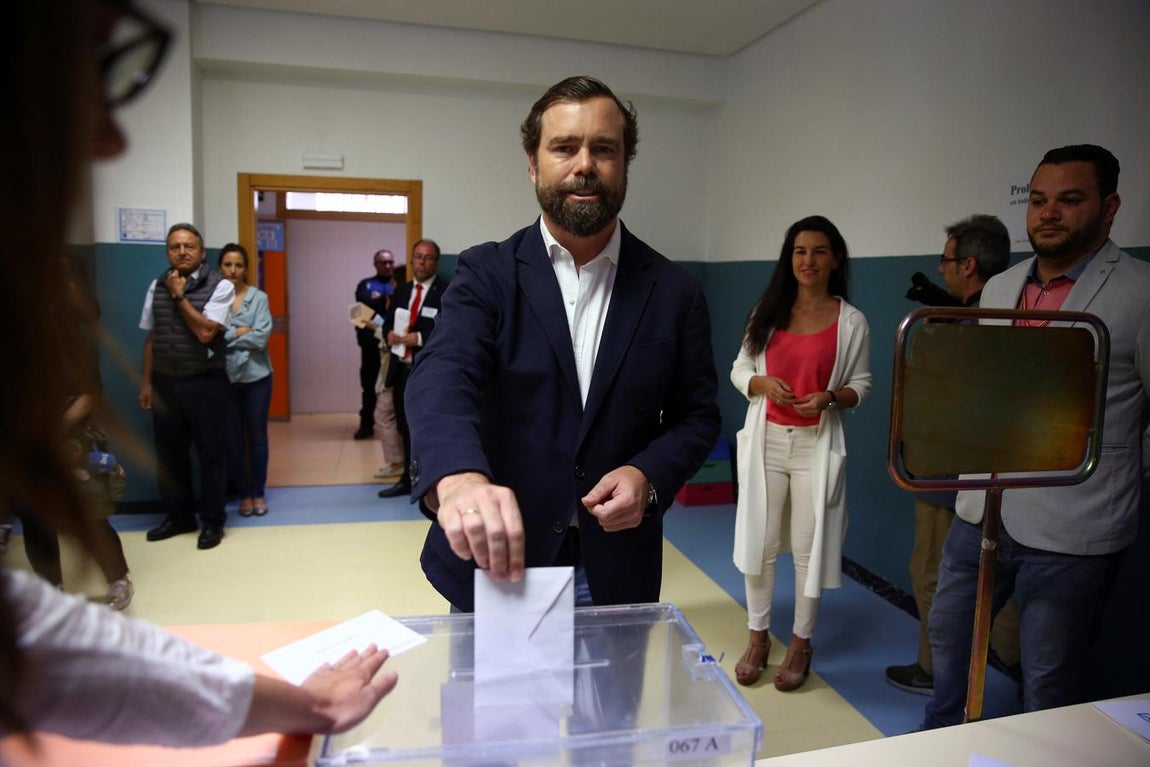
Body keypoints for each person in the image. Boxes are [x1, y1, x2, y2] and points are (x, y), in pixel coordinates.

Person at [1, 0, 396, 746]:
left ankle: (212, 515)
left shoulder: (213, 288)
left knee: (223, 454)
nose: (110, 137)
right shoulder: (158, 288)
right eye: (72, 81)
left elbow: (43, 648)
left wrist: (296, 705)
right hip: (181, 382)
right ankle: (185, 513)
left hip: (223, 383)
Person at [406, 75, 721, 612]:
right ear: (533, 164)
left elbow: (698, 418)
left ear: (624, 165)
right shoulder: (487, 273)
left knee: (614, 701)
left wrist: (648, 477)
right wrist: (457, 479)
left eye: (603, 149)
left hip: (619, 571)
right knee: (500, 701)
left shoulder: (675, 291)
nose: (584, 164)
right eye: (564, 147)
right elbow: (443, 373)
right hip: (501, 563)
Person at [923, 144, 1150, 728]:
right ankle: (937, 741)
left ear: (1110, 206)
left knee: (1047, 677)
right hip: (983, 510)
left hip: (1075, 524)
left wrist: (1119, 471)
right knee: (949, 642)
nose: (1049, 213)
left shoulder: (1140, 292)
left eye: (1070, 200)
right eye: (1040, 200)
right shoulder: (1000, 288)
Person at [730, 215, 872, 690]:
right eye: (799, 251)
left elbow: (862, 384)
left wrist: (831, 398)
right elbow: (740, 368)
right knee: (762, 544)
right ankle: (758, 637)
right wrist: (761, 382)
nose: (808, 261)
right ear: (789, 259)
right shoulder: (767, 312)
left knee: (809, 549)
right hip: (768, 438)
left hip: (816, 443)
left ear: (835, 259)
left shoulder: (851, 321)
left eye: (818, 251)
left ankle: (801, 642)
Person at [885, 214, 1020, 695]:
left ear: (967, 263)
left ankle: (945, 674)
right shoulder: (1003, 313)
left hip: (950, 477)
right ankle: (940, 668)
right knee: (984, 585)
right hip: (982, 475)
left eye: (945, 261)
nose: (940, 270)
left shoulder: (970, 323)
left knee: (934, 577)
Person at [138, 221, 233, 550]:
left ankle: (212, 522)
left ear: (202, 252)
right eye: (174, 247)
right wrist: (147, 383)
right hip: (166, 382)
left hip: (205, 382)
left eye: (188, 246)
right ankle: (179, 517)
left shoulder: (220, 286)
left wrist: (179, 295)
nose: (181, 252)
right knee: (169, 456)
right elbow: (152, 338)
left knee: (212, 456)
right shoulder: (155, 285)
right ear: (167, 252)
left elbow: (206, 332)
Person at [377, 240, 445, 499]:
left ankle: (430, 483)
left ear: (436, 263)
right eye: (418, 257)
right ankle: (407, 480)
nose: (422, 262)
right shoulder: (402, 290)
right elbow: (387, 322)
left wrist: (418, 339)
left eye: (428, 258)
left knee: (426, 429)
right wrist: (390, 334)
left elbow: (446, 328)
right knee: (403, 428)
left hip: (428, 372)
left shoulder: (446, 291)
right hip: (401, 369)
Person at [219, 243, 274, 517]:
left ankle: (258, 493)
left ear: (245, 269)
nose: (233, 270)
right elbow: (213, 338)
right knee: (233, 438)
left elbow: (262, 336)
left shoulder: (258, 298)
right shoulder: (214, 299)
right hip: (226, 377)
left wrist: (232, 335)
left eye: (238, 265)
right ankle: (244, 494)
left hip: (258, 376)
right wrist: (238, 333)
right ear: (220, 267)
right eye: (228, 264)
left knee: (257, 437)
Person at [353, 250, 395, 440]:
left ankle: (392, 428)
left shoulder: (397, 284)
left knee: (392, 388)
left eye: (390, 262)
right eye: (383, 262)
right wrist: (381, 304)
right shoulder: (366, 284)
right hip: (370, 347)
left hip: (393, 347)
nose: (388, 266)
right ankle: (366, 426)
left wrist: (375, 304)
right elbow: (359, 308)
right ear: (375, 264)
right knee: (369, 387)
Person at [373, 264, 406, 481]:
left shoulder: (404, 305)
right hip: (389, 368)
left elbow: (393, 338)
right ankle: (396, 462)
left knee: (384, 414)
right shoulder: (395, 303)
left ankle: (397, 463)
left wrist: (374, 328)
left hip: (397, 368)